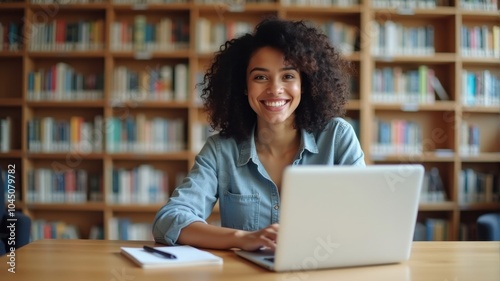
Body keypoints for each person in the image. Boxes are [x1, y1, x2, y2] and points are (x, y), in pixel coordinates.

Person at [152, 17, 365, 251]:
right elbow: (169, 220)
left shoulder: (337, 137)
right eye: (260, 77)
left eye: (288, 76)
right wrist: (242, 238)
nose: (275, 89)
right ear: (243, 86)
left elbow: (365, 217)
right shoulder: (221, 149)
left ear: (304, 84)